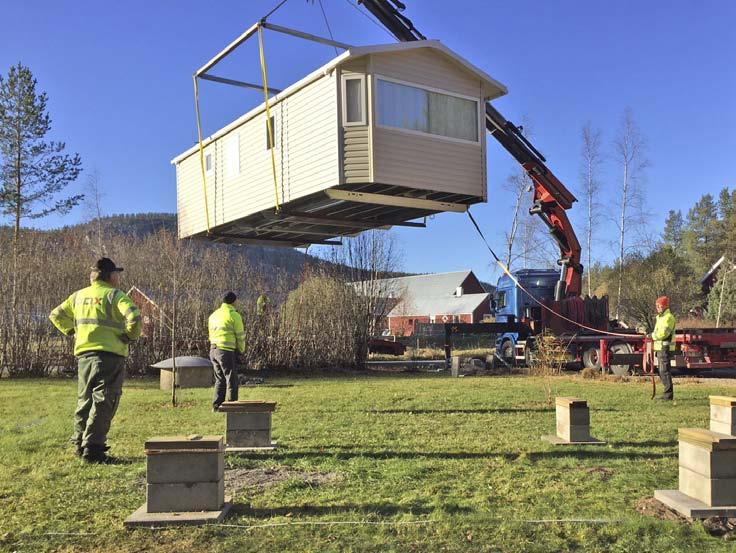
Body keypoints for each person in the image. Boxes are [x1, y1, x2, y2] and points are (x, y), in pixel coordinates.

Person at [49, 258, 142, 463]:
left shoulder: (78, 296)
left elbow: (55, 314)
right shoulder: (114, 295)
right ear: (110, 276)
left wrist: (72, 331)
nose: (117, 278)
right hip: (109, 356)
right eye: (116, 274)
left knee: (85, 399)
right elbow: (135, 316)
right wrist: (130, 336)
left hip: (84, 355)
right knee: (105, 400)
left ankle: (79, 444)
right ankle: (94, 449)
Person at [208, 292, 246, 411]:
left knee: (220, 379)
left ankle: (217, 406)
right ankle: (232, 406)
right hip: (226, 351)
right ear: (234, 302)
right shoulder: (233, 315)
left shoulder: (214, 315)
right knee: (232, 379)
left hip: (213, 350)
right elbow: (240, 335)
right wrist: (241, 350)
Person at [652, 295, 677, 401]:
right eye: (656, 306)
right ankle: (666, 394)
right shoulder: (660, 318)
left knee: (665, 371)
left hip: (665, 348)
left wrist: (651, 336)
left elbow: (663, 334)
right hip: (660, 348)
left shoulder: (668, 318)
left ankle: (668, 395)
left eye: (659, 306)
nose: (657, 308)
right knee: (661, 371)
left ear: (664, 306)